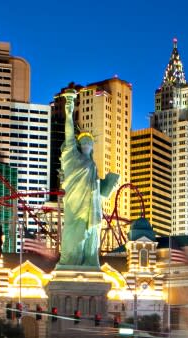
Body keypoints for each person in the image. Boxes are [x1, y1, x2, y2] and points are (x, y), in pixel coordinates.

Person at [57, 90, 119, 268]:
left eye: (89, 143)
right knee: (73, 233)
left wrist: (108, 187)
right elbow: (69, 135)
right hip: (75, 202)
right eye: (83, 141)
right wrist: (69, 108)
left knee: (91, 232)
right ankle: (69, 262)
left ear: (91, 147)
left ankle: (89, 261)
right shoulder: (72, 158)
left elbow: (98, 192)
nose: (86, 144)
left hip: (91, 205)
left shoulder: (92, 166)